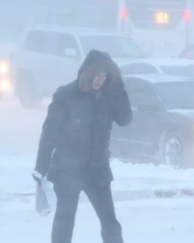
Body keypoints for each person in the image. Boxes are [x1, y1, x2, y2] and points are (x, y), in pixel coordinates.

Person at [33, 50, 132, 243]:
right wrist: (41, 168)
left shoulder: (108, 96)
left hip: (98, 169)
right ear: (86, 72)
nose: (99, 80)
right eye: (96, 74)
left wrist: (119, 87)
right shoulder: (66, 95)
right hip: (67, 169)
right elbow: (49, 134)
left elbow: (125, 119)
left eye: (104, 75)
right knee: (65, 220)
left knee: (110, 221)